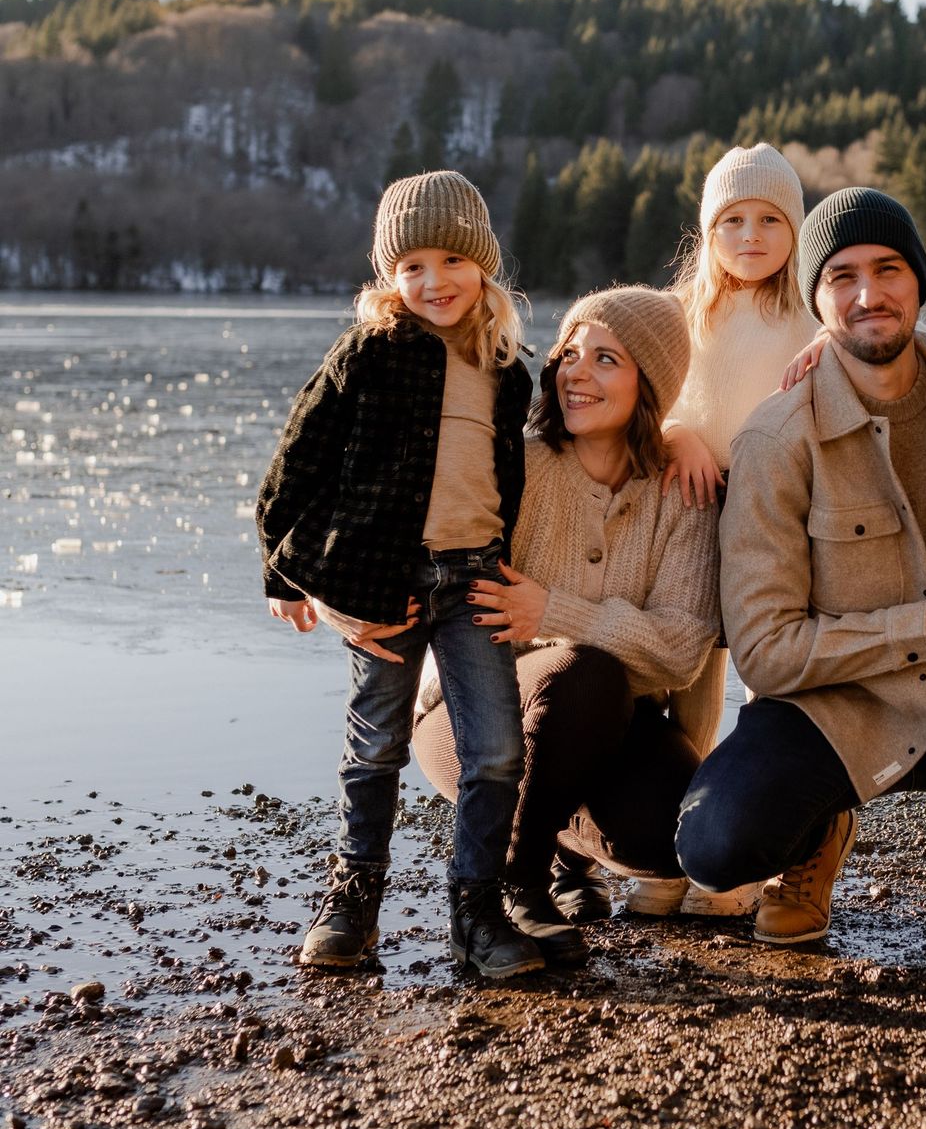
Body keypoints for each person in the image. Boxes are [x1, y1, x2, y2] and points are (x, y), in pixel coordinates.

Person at [675, 186, 926, 947]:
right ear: (816, 300)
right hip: (843, 704)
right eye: (842, 277)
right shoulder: (776, 440)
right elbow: (763, 651)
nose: (869, 295)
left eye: (889, 270)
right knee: (716, 843)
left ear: (920, 282)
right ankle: (815, 835)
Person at [257, 171, 540, 985]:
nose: (433, 280)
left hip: (475, 581)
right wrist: (291, 579)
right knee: (375, 742)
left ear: (483, 267)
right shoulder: (366, 356)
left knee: (495, 752)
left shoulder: (506, 370)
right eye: (411, 264)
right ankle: (354, 900)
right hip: (384, 586)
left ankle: (476, 913)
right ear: (389, 277)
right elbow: (291, 473)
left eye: (452, 259)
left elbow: (512, 482)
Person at [411, 285, 720, 965]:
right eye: (569, 353)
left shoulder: (682, 491)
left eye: (606, 358)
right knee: (587, 672)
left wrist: (552, 611)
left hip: (605, 722)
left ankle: (562, 851)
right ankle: (514, 884)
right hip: (470, 717)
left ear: (652, 384)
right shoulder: (517, 463)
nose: (576, 372)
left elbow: (682, 648)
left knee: (683, 836)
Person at [621, 141, 815, 918]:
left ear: (797, 230)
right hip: (691, 510)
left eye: (770, 218)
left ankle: (737, 858)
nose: (751, 235)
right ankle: (671, 851)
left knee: (767, 681)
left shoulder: (810, 313)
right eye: (732, 220)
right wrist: (677, 435)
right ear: (708, 233)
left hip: (776, 521)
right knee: (687, 685)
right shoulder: (681, 313)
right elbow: (644, 400)